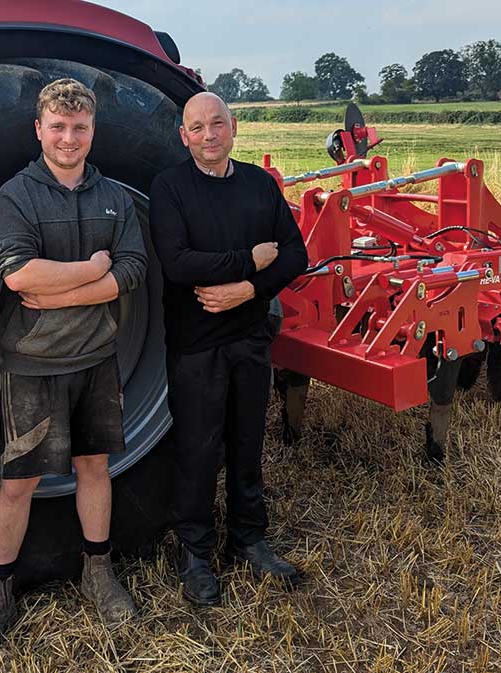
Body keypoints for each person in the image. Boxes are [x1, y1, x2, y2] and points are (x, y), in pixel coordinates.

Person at [0, 78, 147, 666]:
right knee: (18, 483)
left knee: (96, 467)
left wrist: (74, 285)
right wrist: (95, 271)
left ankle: (98, 572)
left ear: (93, 131)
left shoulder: (112, 195)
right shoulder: (18, 195)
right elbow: (17, 276)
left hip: (97, 359)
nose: (70, 139)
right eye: (59, 128)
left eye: (81, 128)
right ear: (39, 130)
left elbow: (136, 266)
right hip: (33, 365)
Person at [149, 92, 308, 606]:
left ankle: (249, 539)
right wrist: (249, 260)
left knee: (246, 444)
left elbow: (295, 255)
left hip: (250, 339)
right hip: (196, 346)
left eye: (218, 123)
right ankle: (194, 552)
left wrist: (248, 288)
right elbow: (177, 263)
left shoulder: (259, 186)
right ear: (184, 136)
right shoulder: (170, 187)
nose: (209, 134)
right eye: (197, 127)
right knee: (197, 449)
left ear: (233, 127)